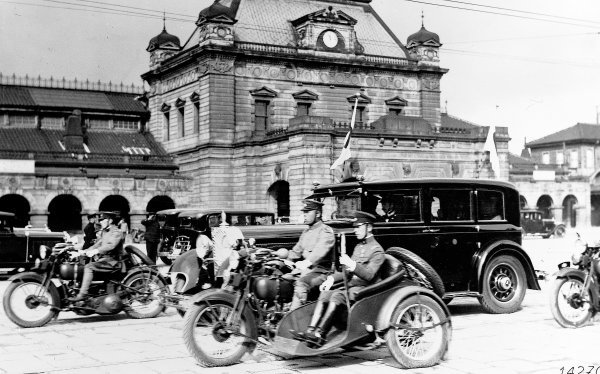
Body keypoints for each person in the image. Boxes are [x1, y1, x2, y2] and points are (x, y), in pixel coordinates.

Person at [291, 211, 385, 345]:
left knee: (336, 296)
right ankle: (311, 330)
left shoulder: (377, 250)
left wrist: (352, 264)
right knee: (325, 293)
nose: (355, 230)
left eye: (359, 227)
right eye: (355, 227)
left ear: (369, 228)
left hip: (365, 289)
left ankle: (320, 335)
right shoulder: (359, 247)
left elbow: (369, 275)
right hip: (352, 286)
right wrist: (332, 279)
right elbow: (347, 273)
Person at [287, 199, 335, 310]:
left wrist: (307, 262)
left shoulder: (326, 231)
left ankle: (296, 318)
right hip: (306, 270)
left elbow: (320, 250)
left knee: (301, 284)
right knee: (282, 280)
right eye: (304, 212)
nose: (304, 215)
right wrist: (288, 259)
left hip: (321, 272)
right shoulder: (306, 232)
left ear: (317, 213)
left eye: (307, 212)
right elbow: (297, 249)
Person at [69, 211, 125, 302]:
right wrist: (82, 252)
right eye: (100, 220)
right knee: (82, 266)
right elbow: (97, 244)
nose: (100, 222)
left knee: (89, 267)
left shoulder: (116, 232)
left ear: (110, 221)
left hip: (113, 261)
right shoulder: (105, 232)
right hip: (105, 260)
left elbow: (111, 245)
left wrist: (97, 251)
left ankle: (83, 294)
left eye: (103, 220)